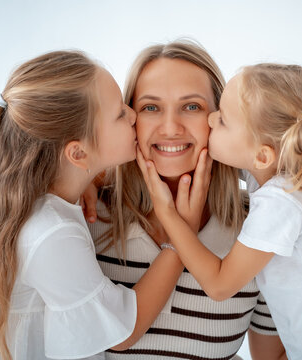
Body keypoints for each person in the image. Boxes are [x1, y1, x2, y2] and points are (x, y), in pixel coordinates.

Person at [0, 50, 183, 360]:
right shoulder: (52, 232)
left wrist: (89, 180)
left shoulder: (33, 201)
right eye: (120, 114)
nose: (133, 115)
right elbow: (122, 332)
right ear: (77, 154)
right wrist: (178, 240)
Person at [137, 63, 302, 359]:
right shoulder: (291, 179)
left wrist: (169, 214)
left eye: (223, 121)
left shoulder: (281, 203)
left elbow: (220, 285)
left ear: (262, 155)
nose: (210, 118)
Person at [86, 40, 285, 360]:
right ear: (129, 117)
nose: (170, 128)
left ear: (222, 118)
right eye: (151, 107)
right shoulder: (90, 213)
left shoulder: (260, 224)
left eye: (191, 106)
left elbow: (271, 356)